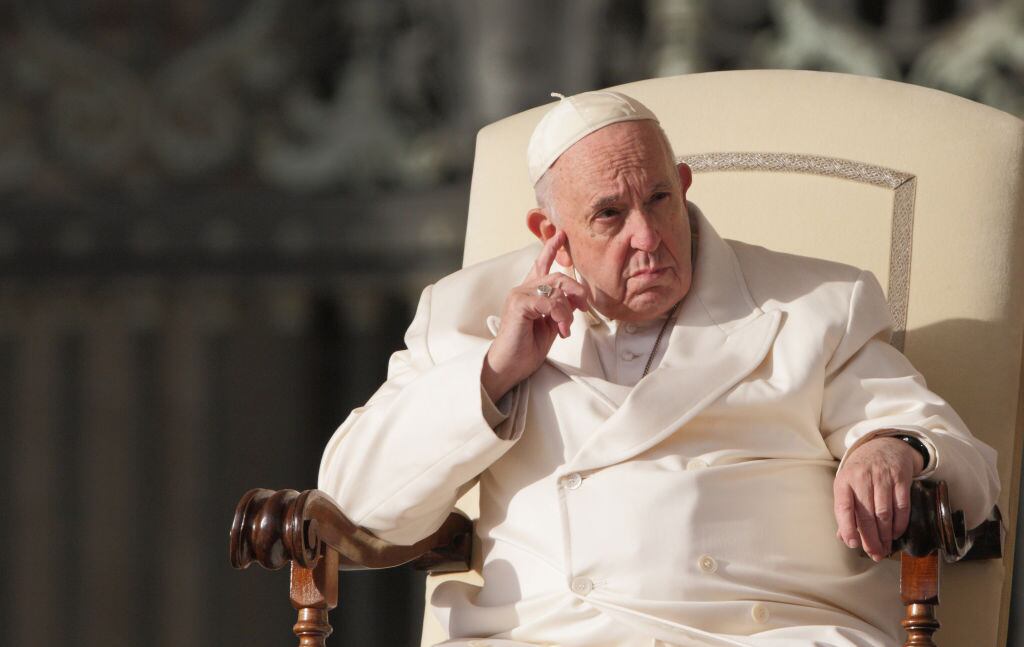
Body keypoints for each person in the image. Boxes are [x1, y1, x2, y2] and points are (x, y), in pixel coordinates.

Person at [318, 91, 999, 647]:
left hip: (764, 633)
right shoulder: (467, 315)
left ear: (684, 185)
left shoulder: (813, 303)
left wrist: (893, 449)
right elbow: (355, 504)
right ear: (547, 231)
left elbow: (962, 466)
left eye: (659, 199)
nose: (647, 236)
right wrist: (492, 375)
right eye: (610, 216)